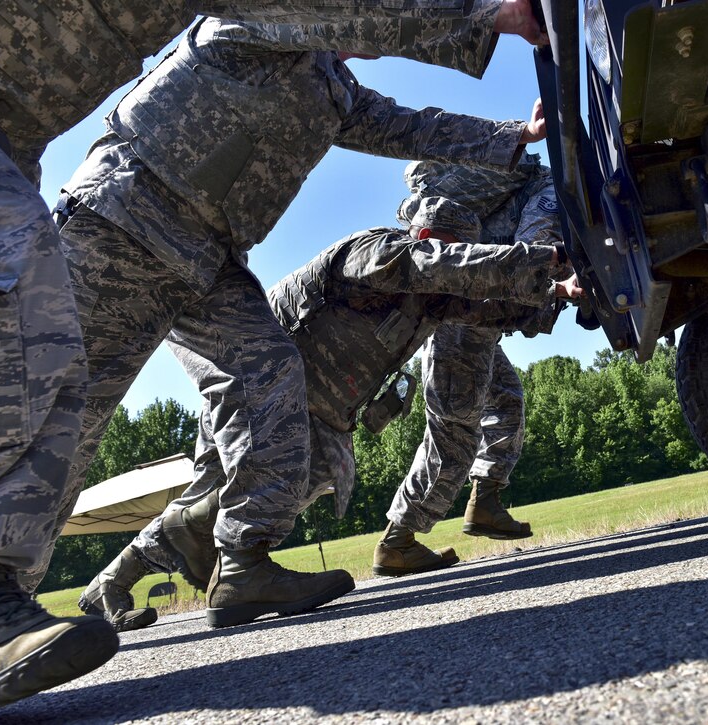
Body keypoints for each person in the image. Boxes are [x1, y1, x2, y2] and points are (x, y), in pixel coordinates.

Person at [0, 0, 545, 710]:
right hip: (124, 222)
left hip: (207, 260)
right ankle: (4, 606)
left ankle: (242, 563)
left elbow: (411, 127)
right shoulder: (254, 24)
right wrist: (486, 15)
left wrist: (513, 135)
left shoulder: (333, 91)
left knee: (273, 378)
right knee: (63, 413)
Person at [79, 196, 582, 629]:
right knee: (237, 498)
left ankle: (113, 584)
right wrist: (547, 258)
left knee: (229, 498)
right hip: (261, 392)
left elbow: (492, 307)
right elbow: (439, 268)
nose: (457, 269)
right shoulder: (376, 253)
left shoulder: (432, 300)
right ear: (425, 237)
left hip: (307, 415)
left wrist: (559, 292)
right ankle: (235, 575)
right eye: (450, 251)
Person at [376, 153, 562, 575]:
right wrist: (552, 292)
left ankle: (485, 502)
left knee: (506, 400)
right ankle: (397, 541)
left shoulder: (490, 185)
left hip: (473, 314)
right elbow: (537, 250)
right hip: (466, 314)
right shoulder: (545, 187)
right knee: (453, 433)